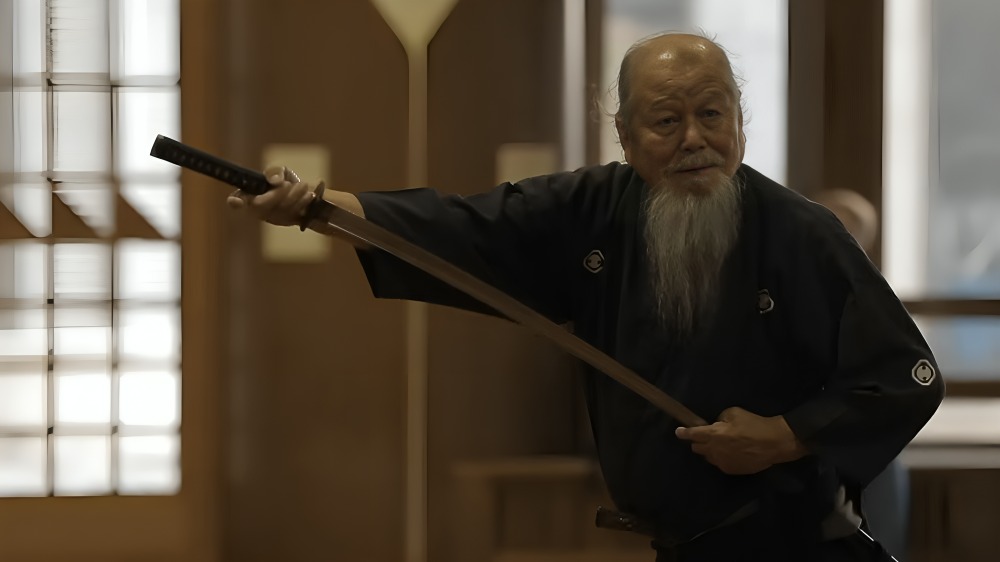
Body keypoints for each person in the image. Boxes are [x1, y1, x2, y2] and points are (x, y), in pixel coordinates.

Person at [229, 32, 944, 561]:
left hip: (796, 545)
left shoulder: (803, 233)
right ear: (626, 136)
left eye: (713, 114)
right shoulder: (590, 210)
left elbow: (906, 376)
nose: (695, 139)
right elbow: (462, 226)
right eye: (666, 121)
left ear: (740, 122)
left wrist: (785, 435)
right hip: (682, 545)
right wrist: (316, 207)